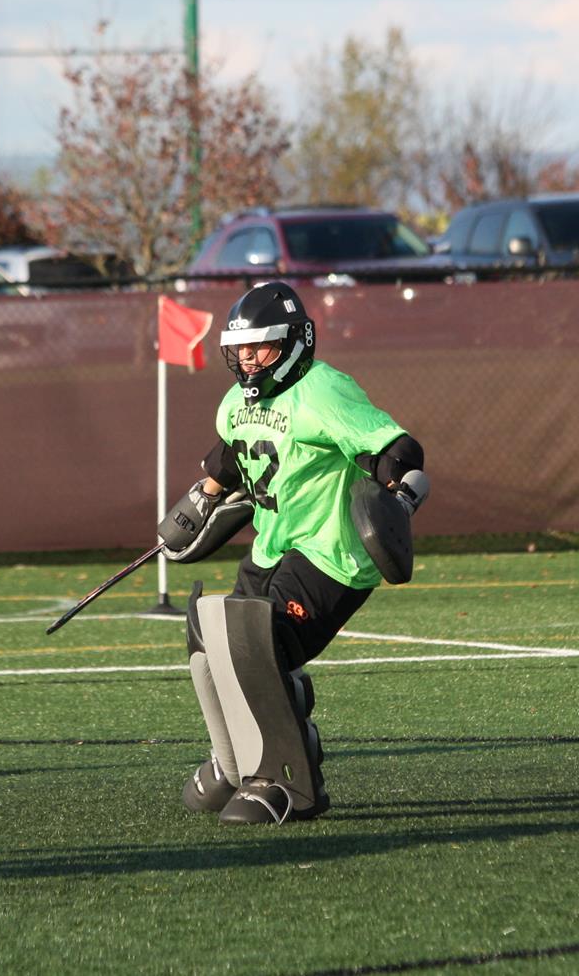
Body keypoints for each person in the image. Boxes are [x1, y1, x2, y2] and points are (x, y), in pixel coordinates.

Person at [159, 281, 428, 824]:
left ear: (296, 342)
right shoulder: (235, 402)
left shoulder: (324, 390)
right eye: (241, 349)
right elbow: (230, 457)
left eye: (262, 347)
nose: (250, 360)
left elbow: (397, 450)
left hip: (330, 553)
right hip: (271, 543)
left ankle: (287, 782)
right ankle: (233, 760)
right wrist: (204, 495)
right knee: (209, 637)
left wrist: (402, 497)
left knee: (260, 641)